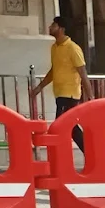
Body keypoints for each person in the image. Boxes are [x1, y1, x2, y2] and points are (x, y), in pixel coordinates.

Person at [29, 16, 90, 152]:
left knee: (63, 127)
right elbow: (54, 70)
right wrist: (39, 87)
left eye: (53, 25)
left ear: (61, 29)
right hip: (59, 93)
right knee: (69, 127)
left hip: (70, 94)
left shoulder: (73, 48)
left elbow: (82, 72)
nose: (50, 27)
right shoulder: (54, 48)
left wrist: (90, 96)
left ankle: (87, 153)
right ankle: (89, 154)